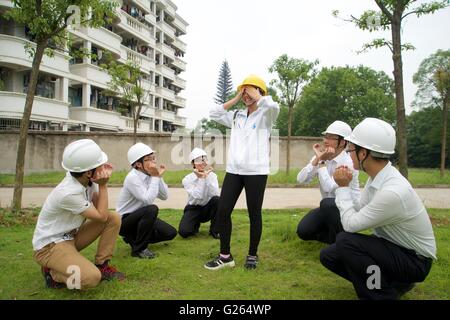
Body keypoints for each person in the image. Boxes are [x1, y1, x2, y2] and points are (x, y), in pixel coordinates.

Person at [320, 118, 437, 300]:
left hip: (414, 260)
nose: (349, 154)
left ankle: (381, 295)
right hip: (394, 247)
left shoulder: (393, 191)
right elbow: (358, 209)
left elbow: (351, 225)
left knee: (346, 241)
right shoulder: (377, 178)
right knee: (329, 255)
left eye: (351, 149)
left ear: (363, 153)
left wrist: (343, 187)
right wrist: (347, 188)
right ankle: (390, 283)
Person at [204, 75, 280, 270]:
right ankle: (225, 256)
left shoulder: (265, 115)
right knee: (222, 211)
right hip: (234, 171)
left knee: (254, 214)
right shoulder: (237, 115)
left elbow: (274, 107)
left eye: (251, 91)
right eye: (244, 91)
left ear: (260, 93)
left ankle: (252, 255)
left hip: (256, 172)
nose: (247, 95)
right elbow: (214, 113)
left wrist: (258, 96)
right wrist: (238, 97)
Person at [32, 139, 125, 290]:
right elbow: (100, 216)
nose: (103, 167)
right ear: (88, 172)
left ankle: (102, 265)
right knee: (91, 279)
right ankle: (53, 273)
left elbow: (101, 211)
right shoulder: (68, 193)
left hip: (71, 237)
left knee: (113, 217)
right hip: (49, 246)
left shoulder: (85, 180)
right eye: (99, 165)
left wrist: (99, 182)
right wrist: (103, 185)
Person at [296, 121, 360, 244]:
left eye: (331, 137)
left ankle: (344, 240)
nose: (325, 140)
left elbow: (328, 188)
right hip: (328, 208)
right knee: (303, 231)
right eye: (326, 136)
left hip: (348, 209)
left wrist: (321, 162)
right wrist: (317, 159)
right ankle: (336, 239)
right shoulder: (323, 157)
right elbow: (301, 179)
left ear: (343, 142)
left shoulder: (349, 163)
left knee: (327, 203)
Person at [116, 142, 177, 259]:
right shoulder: (132, 178)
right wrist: (155, 177)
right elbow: (148, 200)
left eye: (154, 158)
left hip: (142, 217)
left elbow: (164, 196)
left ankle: (133, 238)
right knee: (151, 209)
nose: (154, 161)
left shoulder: (150, 174)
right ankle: (139, 249)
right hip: (125, 221)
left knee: (171, 233)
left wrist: (158, 177)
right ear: (138, 164)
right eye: (149, 159)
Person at [178, 148, 220, 239]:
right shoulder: (187, 179)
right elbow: (198, 196)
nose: (202, 163)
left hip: (207, 209)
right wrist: (201, 178)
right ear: (193, 163)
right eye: (198, 160)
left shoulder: (212, 176)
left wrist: (207, 177)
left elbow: (215, 194)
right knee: (184, 232)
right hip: (193, 208)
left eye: (204, 160)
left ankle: (215, 230)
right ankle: (194, 225)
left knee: (217, 200)